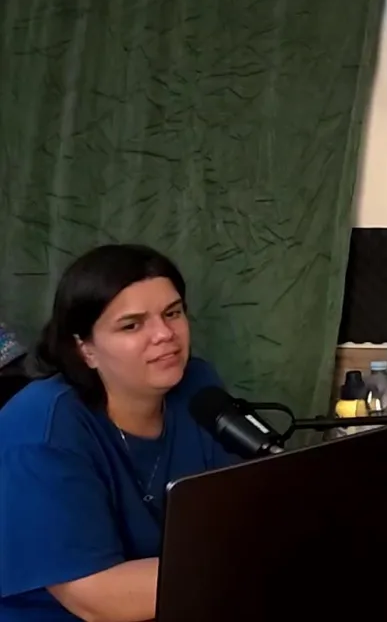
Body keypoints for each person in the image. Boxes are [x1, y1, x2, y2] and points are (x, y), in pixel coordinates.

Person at [0, 244, 240, 622]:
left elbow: (239, 509)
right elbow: (99, 599)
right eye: (132, 325)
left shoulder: (198, 384)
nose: (165, 334)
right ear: (86, 349)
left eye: (172, 313)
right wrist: (261, 563)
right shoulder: (40, 428)